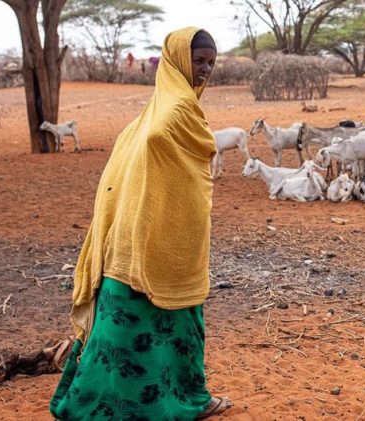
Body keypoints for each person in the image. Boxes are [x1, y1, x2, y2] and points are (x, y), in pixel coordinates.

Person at [50, 27, 231, 420]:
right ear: (177, 61)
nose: (205, 70)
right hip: (147, 238)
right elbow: (157, 149)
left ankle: (147, 402)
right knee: (153, 327)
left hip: (149, 236)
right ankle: (169, 403)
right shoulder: (174, 111)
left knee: (149, 329)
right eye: (198, 61)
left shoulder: (162, 107)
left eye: (211, 63)